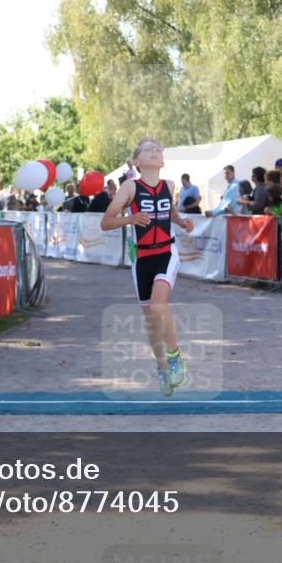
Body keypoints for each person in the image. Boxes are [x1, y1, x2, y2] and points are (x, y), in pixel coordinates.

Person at [101, 138, 194, 397]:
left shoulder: (169, 185)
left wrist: (182, 222)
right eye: (147, 149)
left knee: (158, 305)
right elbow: (105, 222)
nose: (154, 151)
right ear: (137, 161)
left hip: (166, 253)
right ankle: (163, 369)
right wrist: (130, 218)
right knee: (152, 320)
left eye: (157, 149)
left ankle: (175, 358)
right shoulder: (130, 187)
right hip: (142, 258)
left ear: (162, 161)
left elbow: (169, 210)